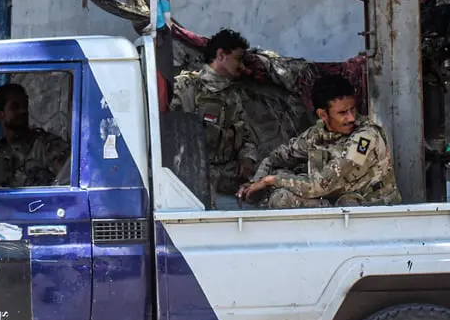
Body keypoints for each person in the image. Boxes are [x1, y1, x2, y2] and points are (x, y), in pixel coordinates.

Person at [237, 74, 400, 208]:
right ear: (323, 115)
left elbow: (321, 184)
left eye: (352, 109)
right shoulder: (317, 134)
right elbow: (276, 157)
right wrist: (255, 182)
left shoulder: (366, 137)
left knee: (282, 194)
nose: (351, 117)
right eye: (342, 112)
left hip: (371, 209)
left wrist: (270, 180)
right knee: (279, 194)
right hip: (334, 203)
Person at [170, 28, 258, 197]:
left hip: (226, 175)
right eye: (238, 59)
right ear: (220, 55)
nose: (242, 66)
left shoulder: (233, 95)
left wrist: (247, 158)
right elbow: (169, 137)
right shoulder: (186, 87)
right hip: (194, 176)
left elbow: (246, 136)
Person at [0, 83, 70, 189]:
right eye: (15, 107)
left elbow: (70, 182)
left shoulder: (47, 147)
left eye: (25, 105)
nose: (23, 111)